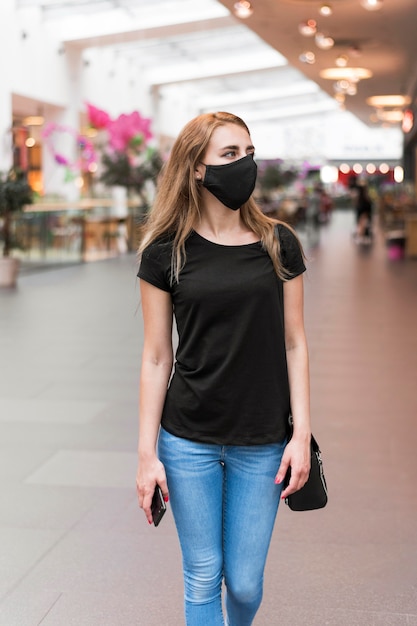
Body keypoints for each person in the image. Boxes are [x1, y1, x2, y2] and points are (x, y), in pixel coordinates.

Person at [136, 111, 311, 626]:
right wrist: (147, 454)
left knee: (246, 580)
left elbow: (296, 343)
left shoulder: (279, 243)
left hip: (263, 439)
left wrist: (302, 434)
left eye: (248, 153)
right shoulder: (165, 253)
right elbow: (154, 356)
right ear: (196, 168)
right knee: (202, 573)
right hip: (187, 435)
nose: (244, 165)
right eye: (230, 155)